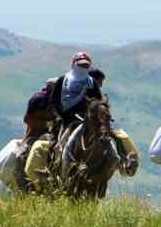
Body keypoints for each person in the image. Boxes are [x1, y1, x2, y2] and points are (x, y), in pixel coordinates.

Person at [22, 51, 107, 189]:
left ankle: (120, 161)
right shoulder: (63, 80)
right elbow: (53, 103)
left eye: (86, 65)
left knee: (109, 141)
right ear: (74, 65)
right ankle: (50, 170)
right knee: (55, 144)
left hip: (87, 121)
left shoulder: (92, 83)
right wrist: (58, 118)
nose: (83, 68)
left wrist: (98, 116)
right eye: (81, 65)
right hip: (66, 121)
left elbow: (98, 102)